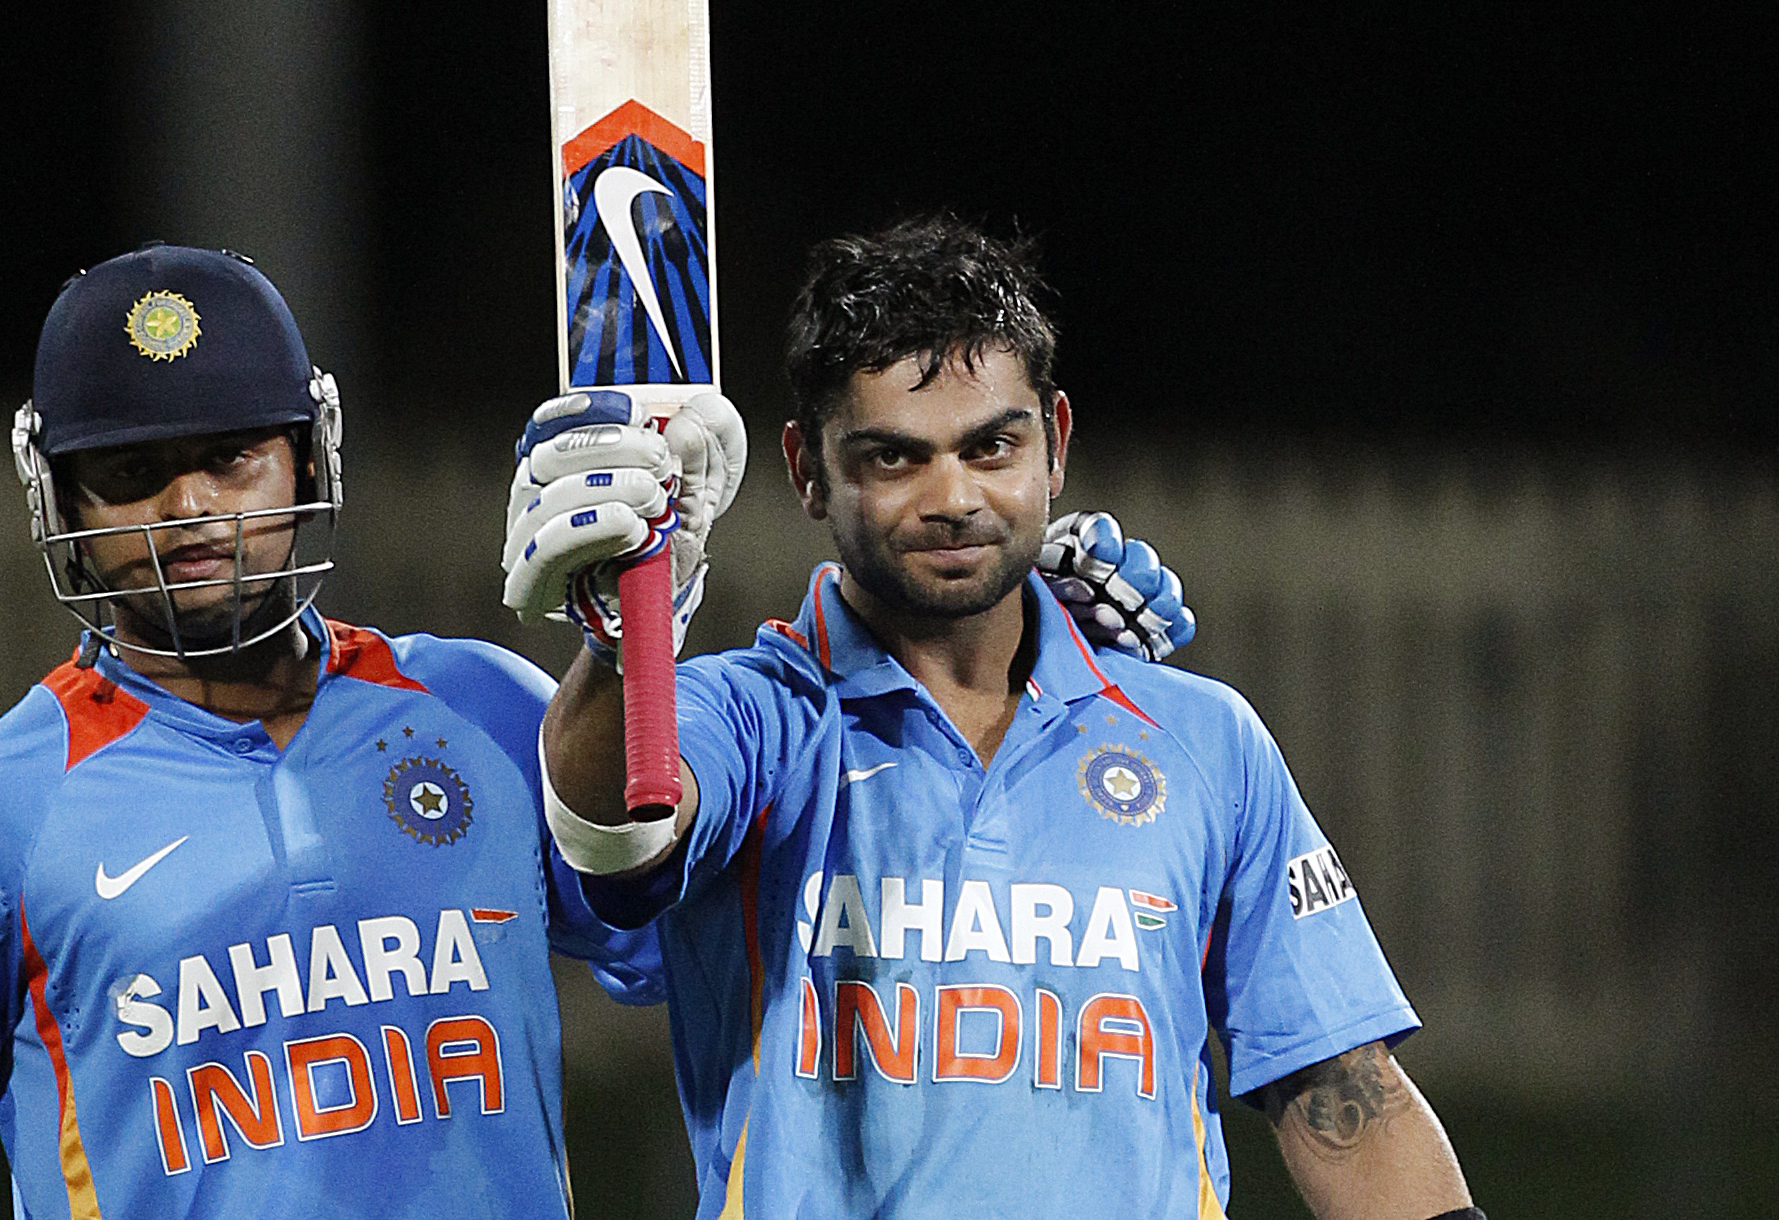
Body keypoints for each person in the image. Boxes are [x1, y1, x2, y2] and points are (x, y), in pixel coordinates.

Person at [516, 212, 1479, 1220]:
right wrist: (627, 642)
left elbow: (1345, 1099)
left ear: (1053, 444)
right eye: (895, 459)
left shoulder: (1204, 743)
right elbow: (618, 834)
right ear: (808, 470)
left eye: (991, 447)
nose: (954, 497)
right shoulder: (757, 719)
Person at [0, 244, 670, 1220]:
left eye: (229, 455)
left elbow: (674, 942)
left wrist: (635, 648)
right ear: (58, 492)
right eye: (133, 469)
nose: (191, 505)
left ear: (308, 451)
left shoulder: (484, 708)